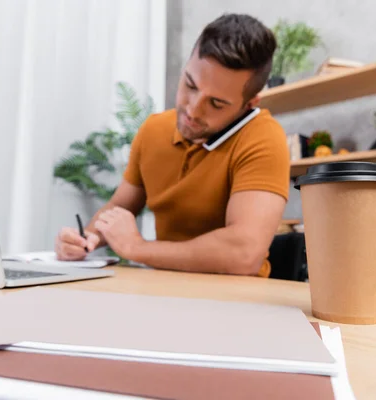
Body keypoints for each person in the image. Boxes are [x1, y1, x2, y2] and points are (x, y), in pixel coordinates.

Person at [55, 13, 290, 277]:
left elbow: (243, 255)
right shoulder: (154, 130)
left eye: (216, 103)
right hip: (165, 287)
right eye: (190, 84)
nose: (193, 109)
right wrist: (85, 239)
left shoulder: (264, 139)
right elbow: (119, 207)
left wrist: (137, 247)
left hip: (236, 299)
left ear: (249, 104)